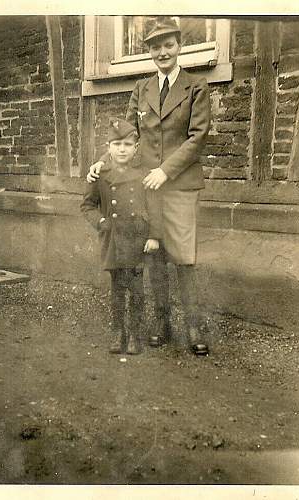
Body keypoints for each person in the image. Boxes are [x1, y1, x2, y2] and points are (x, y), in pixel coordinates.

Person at [87, 16, 211, 356]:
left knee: (184, 258)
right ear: (149, 52)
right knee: (152, 255)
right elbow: (127, 134)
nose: (162, 52)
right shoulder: (142, 88)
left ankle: (194, 327)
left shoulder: (196, 86)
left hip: (179, 184)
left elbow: (197, 138)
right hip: (144, 184)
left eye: (168, 45)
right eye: (155, 47)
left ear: (179, 46)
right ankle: (161, 323)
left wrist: (165, 172)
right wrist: (104, 162)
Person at [81, 117, 161, 355]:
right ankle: (118, 332)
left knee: (137, 289)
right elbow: (87, 206)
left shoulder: (144, 173)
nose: (122, 149)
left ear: (136, 147)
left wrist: (154, 236)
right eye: (117, 144)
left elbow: (155, 207)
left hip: (137, 238)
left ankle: (136, 333)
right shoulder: (100, 175)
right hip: (113, 238)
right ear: (108, 148)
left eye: (127, 144)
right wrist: (101, 222)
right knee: (117, 289)